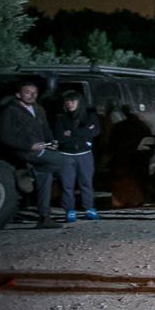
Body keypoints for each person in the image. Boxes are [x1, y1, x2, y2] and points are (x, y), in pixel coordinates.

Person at [0, 81, 71, 229]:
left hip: (42, 149)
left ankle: (44, 218)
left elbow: (46, 129)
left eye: (35, 92)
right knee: (67, 161)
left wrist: (52, 141)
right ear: (18, 94)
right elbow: (4, 136)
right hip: (25, 151)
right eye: (27, 92)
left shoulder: (38, 108)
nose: (32, 95)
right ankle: (29, 172)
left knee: (45, 181)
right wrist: (28, 146)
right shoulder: (10, 111)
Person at [52, 90, 100, 222]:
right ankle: (69, 210)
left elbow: (94, 131)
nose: (70, 104)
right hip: (65, 155)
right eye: (67, 101)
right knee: (67, 184)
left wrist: (72, 133)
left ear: (80, 102)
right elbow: (60, 137)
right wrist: (83, 132)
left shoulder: (90, 116)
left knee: (86, 183)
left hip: (85, 154)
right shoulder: (61, 118)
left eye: (73, 101)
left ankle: (89, 208)